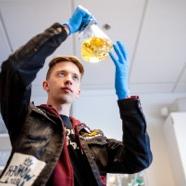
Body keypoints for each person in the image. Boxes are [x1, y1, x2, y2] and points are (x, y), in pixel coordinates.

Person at [0, 5, 152, 186]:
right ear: (46, 85)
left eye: (75, 77)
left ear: (78, 91)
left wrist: (125, 97)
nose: (69, 80)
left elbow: (139, 158)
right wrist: (65, 29)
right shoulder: (27, 118)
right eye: (61, 74)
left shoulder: (93, 138)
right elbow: (15, 70)